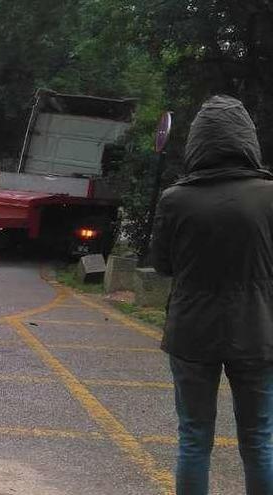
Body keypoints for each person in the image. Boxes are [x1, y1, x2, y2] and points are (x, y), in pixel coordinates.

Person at [151, 95, 273, 495]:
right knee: (258, 439)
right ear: (247, 139)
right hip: (258, 331)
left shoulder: (175, 199)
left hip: (191, 332)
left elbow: (164, 265)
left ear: (197, 143)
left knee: (193, 439)